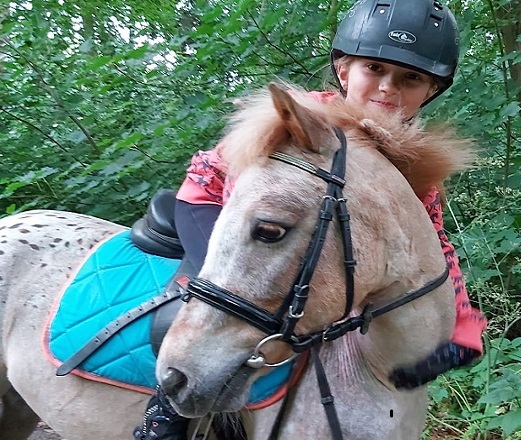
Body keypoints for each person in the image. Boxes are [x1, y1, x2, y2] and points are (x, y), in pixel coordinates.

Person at [133, 0, 487, 439]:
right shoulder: (303, 121)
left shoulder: (407, 167)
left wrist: (465, 324)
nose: (387, 88)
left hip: (286, 230)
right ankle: (165, 413)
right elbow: (248, 196)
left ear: (430, 90)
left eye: (410, 78)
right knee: (217, 289)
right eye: (374, 68)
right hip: (214, 205)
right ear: (344, 71)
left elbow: (430, 248)